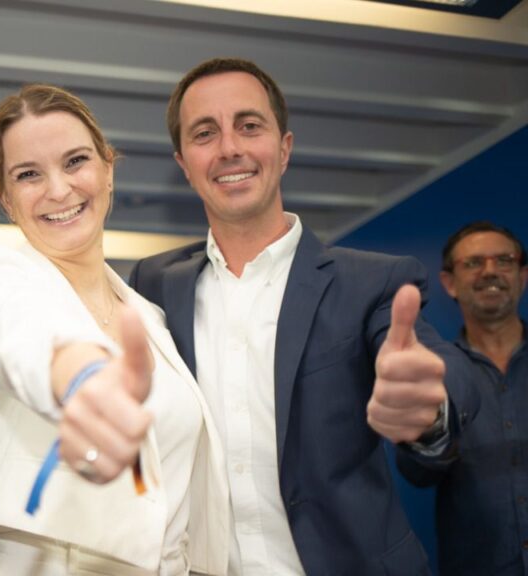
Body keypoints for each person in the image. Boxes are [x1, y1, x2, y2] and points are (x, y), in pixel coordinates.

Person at [129, 58, 480, 575]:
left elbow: (441, 373)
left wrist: (429, 411)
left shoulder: (371, 283)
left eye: (249, 125)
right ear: (184, 163)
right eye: (206, 133)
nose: (230, 147)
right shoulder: (153, 286)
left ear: (284, 148)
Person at [0, 84, 230, 575]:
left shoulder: (149, 318)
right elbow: (22, 338)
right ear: (7, 199)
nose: (58, 189)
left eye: (75, 162)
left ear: (108, 170)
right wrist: (79, 380)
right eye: (29, 175)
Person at [398, 221, 528, 575]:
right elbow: (416, 475)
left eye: (504, 260)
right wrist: (425, 428)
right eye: (473, 263)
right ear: (449, 283)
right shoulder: (434, 373)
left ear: (522, 275)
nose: (490, 271)